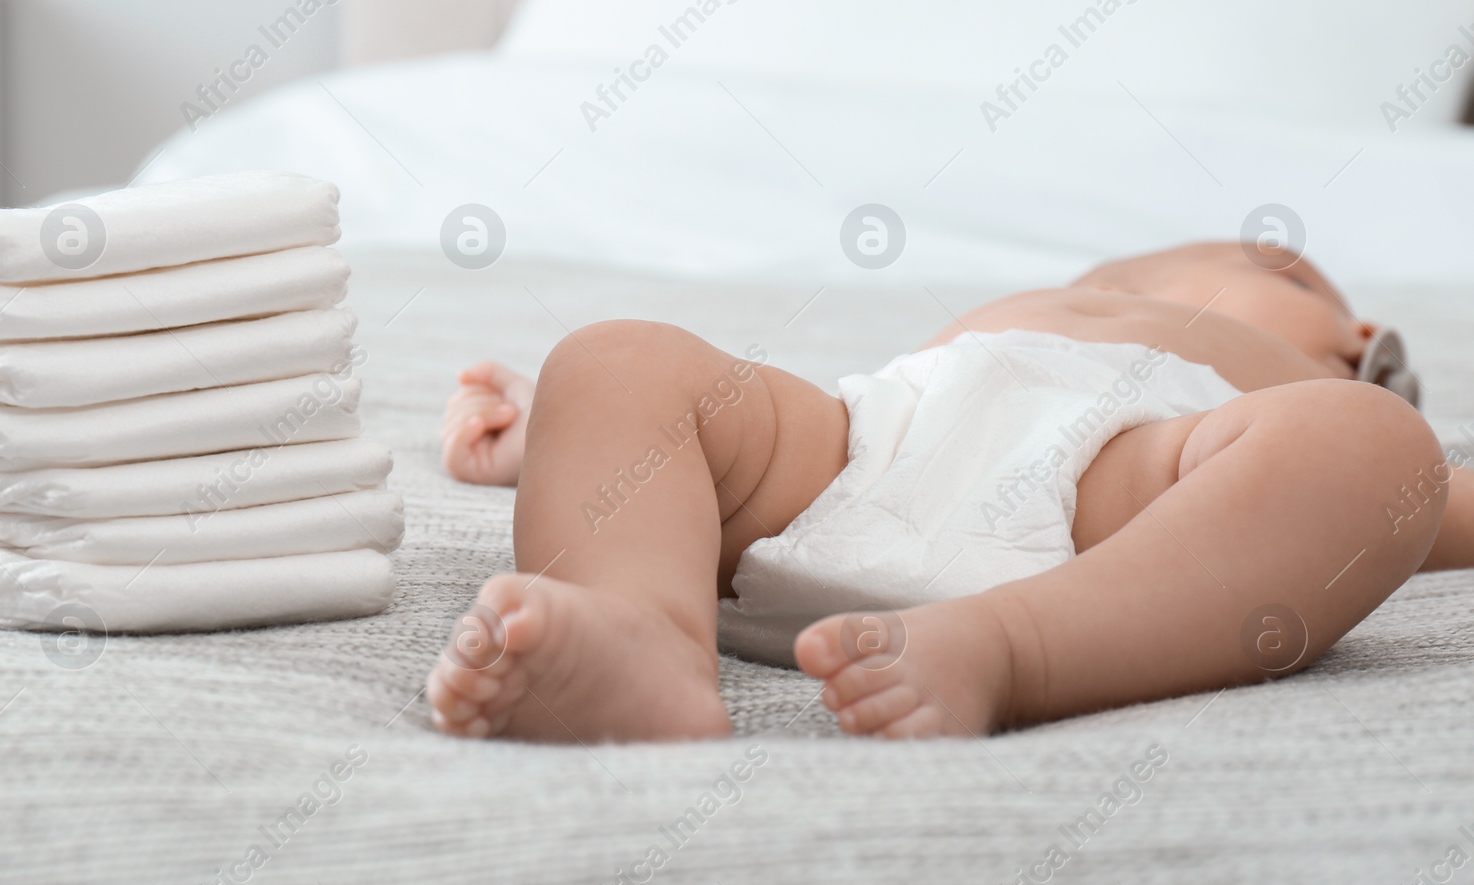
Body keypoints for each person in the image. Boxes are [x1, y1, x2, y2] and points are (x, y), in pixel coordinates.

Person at [427, 242, 1467, 741]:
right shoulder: (1028, 316)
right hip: (867, 452)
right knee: (615, 355)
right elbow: (657, 435)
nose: (1135, 284)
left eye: (1284, 274)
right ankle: (641, 629)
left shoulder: (1302, 388)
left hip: (1126, 499)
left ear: (1362, 341)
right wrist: (560, 426)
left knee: (1381, 451)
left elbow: (1411, 505)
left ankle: (1010, 648)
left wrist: (1391, 445)